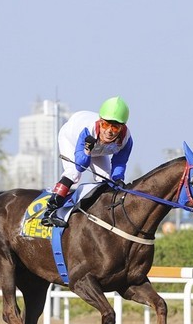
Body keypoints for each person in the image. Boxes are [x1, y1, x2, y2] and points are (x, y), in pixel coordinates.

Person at [41, 96, 134, 227]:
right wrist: (87, 151)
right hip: (71, 140)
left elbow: (120, 162)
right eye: (105, 125)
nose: (109, 131)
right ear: (100, 121)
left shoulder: (126, 139)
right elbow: (80, 166)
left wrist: (118, 178)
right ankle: (50, 211)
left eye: (115, 128)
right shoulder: (88, 130)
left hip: (97, 149)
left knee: (107, 179)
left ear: (122, 127)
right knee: (74, 173)